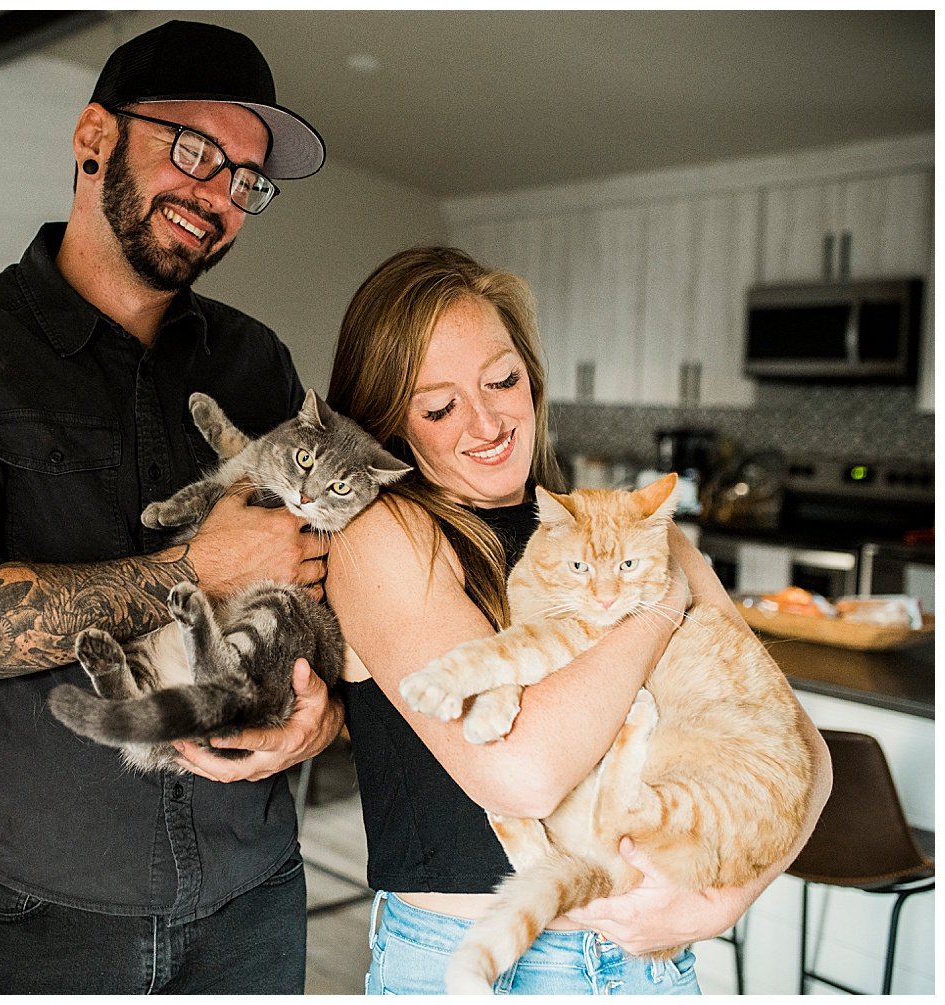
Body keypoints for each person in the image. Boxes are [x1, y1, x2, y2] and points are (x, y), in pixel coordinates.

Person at [0, 19, 344, 995]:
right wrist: (189, 573)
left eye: (246, 179)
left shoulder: (256, 364)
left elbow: (318, 585)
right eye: (195, 150)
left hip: (257, 883)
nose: (220, 196)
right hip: (50, 902)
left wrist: (321, 719)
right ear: (93, 138)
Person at [323, 246, 833, 995]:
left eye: (501, 380)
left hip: (649, 966)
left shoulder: (620, 529)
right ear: (389, 422)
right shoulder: (385, 537)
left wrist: (719, 905)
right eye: (439, 406)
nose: (488, 420)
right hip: (473, 965)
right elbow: (523, 774)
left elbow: (807, 755)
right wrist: (657, 603)